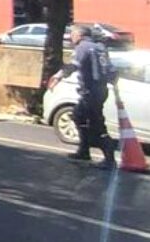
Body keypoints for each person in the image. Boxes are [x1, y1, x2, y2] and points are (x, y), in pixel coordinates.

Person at [49, 25, 116, 169]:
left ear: (79, 35)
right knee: (80, 116)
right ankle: (84, 150)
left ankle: (109, 158)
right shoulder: (100, 47)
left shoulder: (82, 47)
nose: (71, 37)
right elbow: (111, 70)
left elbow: (73, 65)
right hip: (100, 90)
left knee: (96, 124)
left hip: (90, 91)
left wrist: (57, 76)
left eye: (72, 34)